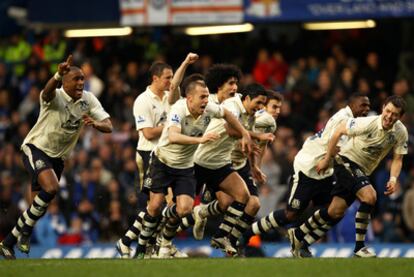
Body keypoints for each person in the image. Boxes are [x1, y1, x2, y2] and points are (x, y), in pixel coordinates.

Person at [0, 55, 113, 259]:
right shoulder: (55, 96)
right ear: (65, 82)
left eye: (82, 79)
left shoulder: (88, 100)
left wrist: (96, 124)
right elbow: (47, 91)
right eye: (76, 79)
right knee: (51, 188)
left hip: (58, 158)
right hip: (36, 148)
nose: (81, 82)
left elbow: (109, 125)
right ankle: (24, 232)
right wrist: (57, 74)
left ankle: (9, 242)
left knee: (39, 207)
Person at [134, 79, 251, 259]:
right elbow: (173, 136)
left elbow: (227, 114)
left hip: (185, 167)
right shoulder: (178, 109)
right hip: (162, 162)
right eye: (202, 97)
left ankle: (163, 238)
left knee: (185, 210)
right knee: (155, 206)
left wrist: (244, 133)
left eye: (206, 96)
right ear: (189, 98)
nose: (206, 100)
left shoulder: (209, 108)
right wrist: (200, 140)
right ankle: (141, 248)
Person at [249, 93, 370, 255]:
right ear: (352, 105)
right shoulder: (343, 119)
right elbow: (334, 146)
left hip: (324, 171)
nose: (366, 109)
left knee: (335, 210)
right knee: (290, 214)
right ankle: (247, 233)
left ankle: (302, 240)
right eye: (363, 105)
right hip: (308, 167)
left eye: (368, 106)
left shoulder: (354, 122)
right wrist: (328, 159)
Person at [288, 95, 408, 258]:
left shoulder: (400, 132)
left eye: (394, 114)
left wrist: (393, 178)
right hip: (346, 161)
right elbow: (338, 131)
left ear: (400, 117)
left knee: (335, 212)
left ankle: (299, 234)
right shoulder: (367, 123)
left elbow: (398, 158)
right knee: (370, 196)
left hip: (363, 170)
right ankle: (359, 247)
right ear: (383, 108)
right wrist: (326, 159)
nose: (389, 116)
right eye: (388, 111)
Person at [116, 53, 199, 258]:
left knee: (167, 206)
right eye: (167, 78)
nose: (171, 82)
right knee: (155, 205)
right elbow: (147, 132)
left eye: (172, 78)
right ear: (155, 78)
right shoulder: (143, 101)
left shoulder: (172, 98)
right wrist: (171, 128)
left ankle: (139, 242)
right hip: (147, 154)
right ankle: (138, 243)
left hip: (168, 154)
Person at [192, 83, 271, 256]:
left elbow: (246, 140)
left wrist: (254, 165)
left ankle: (222, 237)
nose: (260, 108)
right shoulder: (232, 104)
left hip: (221, 163)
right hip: (200, 160)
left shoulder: (252, 116)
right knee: (181, 208)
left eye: (263, 105)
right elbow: (230, 129)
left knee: (244, 197)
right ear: (247, 98)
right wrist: (256, 135)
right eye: (258, 103)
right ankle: (160, 238)